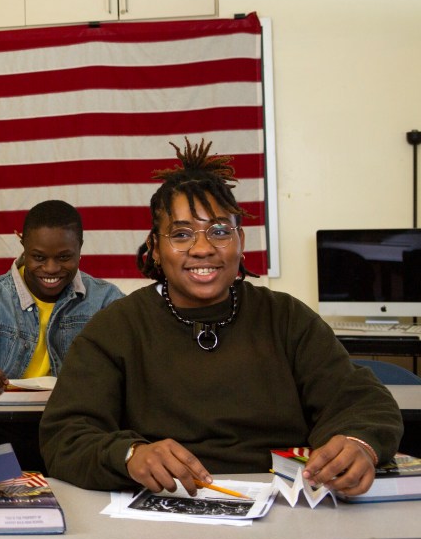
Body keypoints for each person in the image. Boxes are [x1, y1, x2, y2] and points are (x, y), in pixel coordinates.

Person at [39, 138, 403, 496]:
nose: (202, 248)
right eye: (181, 234)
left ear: (240, 241)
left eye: (219, 231)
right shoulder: (115, 328)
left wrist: (359, 443)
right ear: (154, 248)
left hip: (283, 503)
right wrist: (131, 454)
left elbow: (360, 401)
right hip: (163, 503)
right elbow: (66, 435)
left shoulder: (286, 317)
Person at [0, 200, 124, 400]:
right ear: (23, 245)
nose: (51, 268)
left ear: (80, 247)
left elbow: (134, 371)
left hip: (80, 424)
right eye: (39, 257)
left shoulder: (106, 302)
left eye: (64, 257)